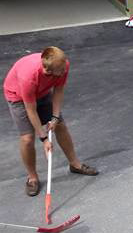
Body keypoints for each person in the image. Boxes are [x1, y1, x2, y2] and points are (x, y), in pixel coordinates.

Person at [4, 47, 97, 197]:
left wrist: (54, 118)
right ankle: (32, 178)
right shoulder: (29, 77)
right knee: (27, 138)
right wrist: (44, 139)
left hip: (42, 92)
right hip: (19, 98)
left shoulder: (62, 65)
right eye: (61, 70)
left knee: (60, 124)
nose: (65, 70)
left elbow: (58, 91)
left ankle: (75, 164)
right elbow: (31, 110)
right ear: (47, 70)